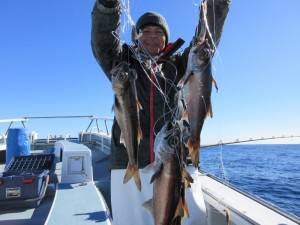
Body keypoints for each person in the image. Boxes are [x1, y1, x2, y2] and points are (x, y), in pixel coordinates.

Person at [91, 0, 230, 224]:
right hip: (129, 162)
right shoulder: (123, 65)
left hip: (175, 161)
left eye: (158, 32)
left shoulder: (181, 64)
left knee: (184, 218)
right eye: (146, 31)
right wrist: (108, 7)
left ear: (166, 39)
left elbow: (206, 39)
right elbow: (103, 41)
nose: (152, 36)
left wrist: (217, 4)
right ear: (137, 36)